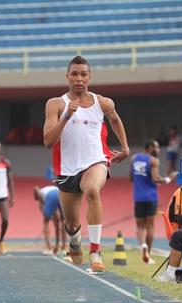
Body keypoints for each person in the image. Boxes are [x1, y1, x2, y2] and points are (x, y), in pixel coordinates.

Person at [43, 55, 129, 273]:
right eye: (75, 74)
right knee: (71, 224)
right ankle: (74, 239)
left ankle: (95, 252)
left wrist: (125, 148)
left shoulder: (103, 102)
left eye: (83, 74)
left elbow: (116, 120)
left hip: (96, 161)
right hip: (67, 170)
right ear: (67, 77)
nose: (79, 78)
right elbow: (48, 141)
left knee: (93, 192)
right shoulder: (55, 104)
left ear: (90, 77)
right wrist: (66, 116)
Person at [130, 139, 176, 264]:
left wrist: (142, 180)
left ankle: (143, 246)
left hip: (138, 197)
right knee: (150, 226)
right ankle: (148, 254)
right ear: (150, 147)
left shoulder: (134, 159)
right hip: (151, 197)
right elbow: (156, 178)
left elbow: (131, 177)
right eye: (156, 147)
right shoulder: (153, 160)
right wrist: (169, 179)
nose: (158, 150)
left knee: (139, 226)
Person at [34, 185, 67, 255]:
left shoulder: (41, 200)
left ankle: (49, 248)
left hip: (51, 195)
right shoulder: (46, 190)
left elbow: (36, 188)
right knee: (63, 222)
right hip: (61, 193)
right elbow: (56, 222)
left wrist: (49, 217)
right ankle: (62, 248)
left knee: (46, 222)